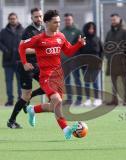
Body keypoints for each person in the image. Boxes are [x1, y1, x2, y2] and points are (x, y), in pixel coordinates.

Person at [18, 10, 86, 139]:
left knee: (53, 106)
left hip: (58, 76)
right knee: (57, 100)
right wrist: (25, 63)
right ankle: (65, 129)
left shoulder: (60, 36)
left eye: (59, 22)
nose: (58, 24)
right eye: (55, 22)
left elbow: (68, 51)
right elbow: (22, 47)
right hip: (46, 76)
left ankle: (33, 110)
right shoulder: (38, 39)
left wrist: (79, 44)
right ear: (47, 23)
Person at [7, 8, 45, 129]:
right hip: (27, 66)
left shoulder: (45, 30)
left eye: (40, 16)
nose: (38, 19)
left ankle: (30, 97)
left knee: (50, 85)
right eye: (36, 17)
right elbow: (22, 48)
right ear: (31, 18)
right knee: (24, 95)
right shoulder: (28, 31)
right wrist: (39, 50)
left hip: (39, 66)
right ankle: (11, 121)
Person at [105, 13, 126, 106]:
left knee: (125, 82)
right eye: (112, 20)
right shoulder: (109, 32)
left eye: (115, 19)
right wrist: (108, 56)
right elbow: (106, 46)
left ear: (119, 19)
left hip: (122, 61)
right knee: (113, 83)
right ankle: (114, 100)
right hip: (112, 61)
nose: (113, 21)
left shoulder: (124, 31)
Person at [0, 12, 24, 106]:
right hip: (8, 61)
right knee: (8, 81)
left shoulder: (23, 30)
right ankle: (10, 100)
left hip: (19, 61)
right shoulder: (3, 31)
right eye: (11, 19)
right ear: (8, 20)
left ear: (17, 19)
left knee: (20, 81)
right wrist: (5, 50)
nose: (12, 20)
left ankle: (20, 99)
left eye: (14, 18)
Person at [61, 13, 83, 106]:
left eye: (69, 19)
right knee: (67, 80)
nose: (67, 21)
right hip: (64, 61)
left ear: (72, 20)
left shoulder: (78, 32)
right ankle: (69, 99)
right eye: (66, 20)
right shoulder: (61, 32)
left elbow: (81, 45)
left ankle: (79, 99)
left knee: (77, 79)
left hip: (74, 60)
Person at [80, 22, 103, 107]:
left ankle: (97, 99)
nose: (91, 30)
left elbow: (101, 52)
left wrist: (100, 61)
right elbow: (79, 52)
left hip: (95, 64)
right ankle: (88, 99)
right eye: (89, 28)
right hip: (85, 64)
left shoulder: (97, 39)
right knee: (86, 82)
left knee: (95, 81)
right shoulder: (83, 39)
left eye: (92, 29)